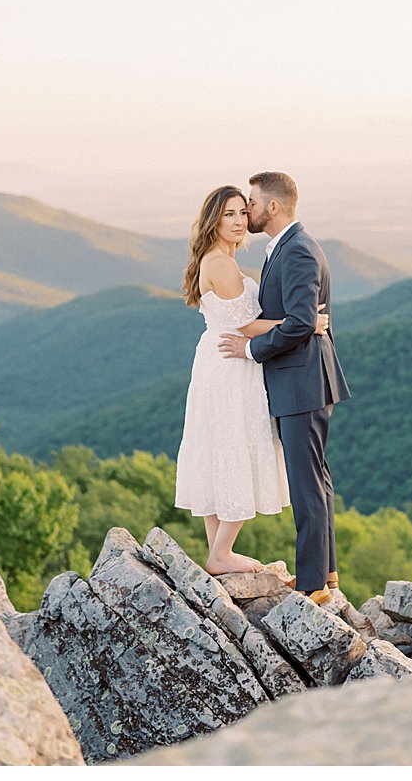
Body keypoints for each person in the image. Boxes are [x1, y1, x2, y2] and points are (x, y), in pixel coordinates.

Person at [175, 184, 330, 576]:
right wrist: (303, 323)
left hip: (220, 358)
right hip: (232, 362)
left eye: (243, 213)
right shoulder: (222, 264)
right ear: (213, 218)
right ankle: (222, 553)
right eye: (229, 214)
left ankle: (217, 554)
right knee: (235, 443)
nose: (240, 221)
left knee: (218, 445)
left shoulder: (218, 259)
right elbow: (244, 324)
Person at [217, 171, 350, 606]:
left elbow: (297, 324)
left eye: (251, 203)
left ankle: (313, 585)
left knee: (306, 483)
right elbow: (302, 320)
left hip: (301, 380)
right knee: (317, 479)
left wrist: (251, 348)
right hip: (303, 379)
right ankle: (326, 573)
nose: (248, 212)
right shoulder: (290, 247)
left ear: (272, 207)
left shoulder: (297, 251)